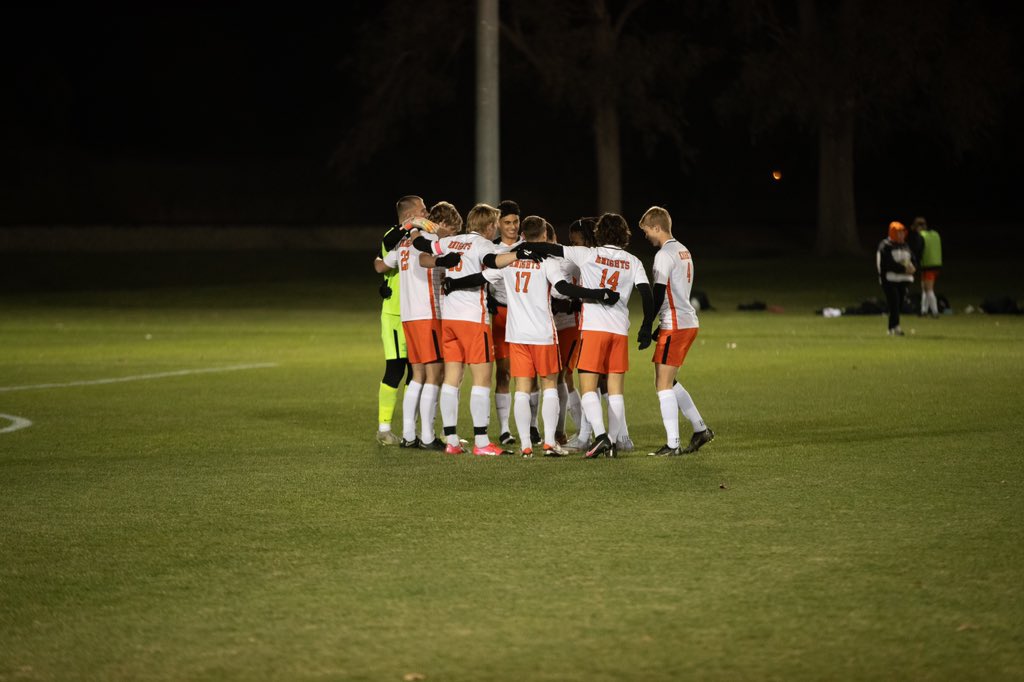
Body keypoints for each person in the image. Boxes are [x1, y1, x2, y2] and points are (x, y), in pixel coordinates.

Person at [445, 216, 618, 456]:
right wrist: (598, 294)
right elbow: (563, 290)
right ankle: (549, 442)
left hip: (516, 335)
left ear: (522, 235)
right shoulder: (548, 260)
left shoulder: (508, 257)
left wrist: (452, 285)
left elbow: (481, 278)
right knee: (549, 386)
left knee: (522, 389)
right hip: (544, 334)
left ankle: (526, 445)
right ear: (545, 236)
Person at [523, 213, 655, 458]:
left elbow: (548, 247)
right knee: (615, 390)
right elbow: (647, 295)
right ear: (624, 234)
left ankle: (602, 436)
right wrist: (646, 326)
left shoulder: (587, 254)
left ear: (598, 233)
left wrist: (525, 248)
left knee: (588, 388)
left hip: (594, 328)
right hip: (619, 330)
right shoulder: (633, 261)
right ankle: (613, 443)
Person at [409, 203, 508, 456]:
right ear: (488, 226)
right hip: (473, 320)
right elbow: (491, 265)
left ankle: (451, 440)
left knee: (452, 379)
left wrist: (413, 228)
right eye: (495, 224)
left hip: (450, 319)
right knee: (482, 380)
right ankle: (482, 443)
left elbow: (423, 247)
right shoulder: (485, 245)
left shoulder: (454, 241)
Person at [373, 202, 463, 449]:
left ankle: (410, 435)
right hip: (427, 315)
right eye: (452, 229)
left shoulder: (402, 242)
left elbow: (380, 264)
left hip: (408, 318)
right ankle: (426, 437)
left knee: (418, 376)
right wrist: (445, 260)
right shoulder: (427, 240)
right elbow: (425, 260)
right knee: (433, 376)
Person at [636, 207, 714, 456]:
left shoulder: (663, 255)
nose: (646, 235)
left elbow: (659, 292)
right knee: (665, 379)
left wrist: (648, 323)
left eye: (647, 230)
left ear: (657, 227)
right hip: (682, 320)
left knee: (663, 384)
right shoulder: (683, 249)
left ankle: (673, 444)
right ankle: (700, 430)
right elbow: (676, 290)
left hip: (677, 324)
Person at [374, 195, 426, 445]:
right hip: (395, 314)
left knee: (417, 373)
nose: (426, 213)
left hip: (417, 313)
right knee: (395, 370)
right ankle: (384, 428)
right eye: (422, 210)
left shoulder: (420, 236)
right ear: (408, 215)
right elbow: (387, 246)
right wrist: (407, 227)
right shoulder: (393, 236)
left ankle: (411, 429)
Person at [489, 200, 531, 446]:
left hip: (525, 315)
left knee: (530, 373)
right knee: (503, 372)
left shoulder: (528, 246)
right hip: (502, 315)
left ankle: (532, 427)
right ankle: (505, 429)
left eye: (516, 222)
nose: (513, 227)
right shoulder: (490, 249)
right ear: (498, 224)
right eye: (507, 222)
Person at [876, 221, 915, 336]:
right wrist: (904, 269)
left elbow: (912, 259)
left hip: (903, 279)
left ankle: (894, 326)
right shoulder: (885, 246)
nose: (901, 235)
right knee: (894, 302)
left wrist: (913, 267)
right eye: (898, 233)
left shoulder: (905, 245)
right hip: (889, 279)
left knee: (899, 304)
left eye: (902, 233)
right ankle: (893, 327)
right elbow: (888, 264)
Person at [910, 216, 943, 317]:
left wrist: (914, 264)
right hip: (937, 264)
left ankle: (935, 312)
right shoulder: (935, 234)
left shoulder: (921, 236)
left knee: (929, 289)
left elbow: (918, 251)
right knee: (924, 288)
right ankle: (923, 311)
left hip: (928, 265)